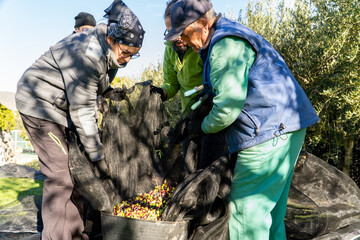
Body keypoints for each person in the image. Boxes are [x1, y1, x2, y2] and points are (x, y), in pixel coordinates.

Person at [164, 0, 319, 239]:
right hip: (286, 128)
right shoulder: (228, 34)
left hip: (267, 135)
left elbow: (227, 109)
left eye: (184, 33)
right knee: (271, 217)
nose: (182, 41)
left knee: (246, 218)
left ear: (204, 24)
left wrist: (200, 127)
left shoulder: (224, 44)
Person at [15, 0, 145, 239]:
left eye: (132, 56)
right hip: (39, 105)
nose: (126, 59)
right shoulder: (88, 55)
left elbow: (96, 89)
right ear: (110, 40)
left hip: (61, 107)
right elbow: (83, 110)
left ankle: (76, 233)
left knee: (77, 171)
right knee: (60, 175)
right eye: (124, 52)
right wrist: (98, 156)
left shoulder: (109, 55)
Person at [153, 0, 228, 170]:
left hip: (211, 113)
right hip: (189, 116)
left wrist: (203, 121)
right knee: (190, 165)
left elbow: (218, 86)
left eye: (181, 31)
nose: (177, 37)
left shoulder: (201, 45)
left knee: (208, 166)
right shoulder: (170, 50)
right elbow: (171, 83)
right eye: (172, 31)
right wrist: (161, 92)